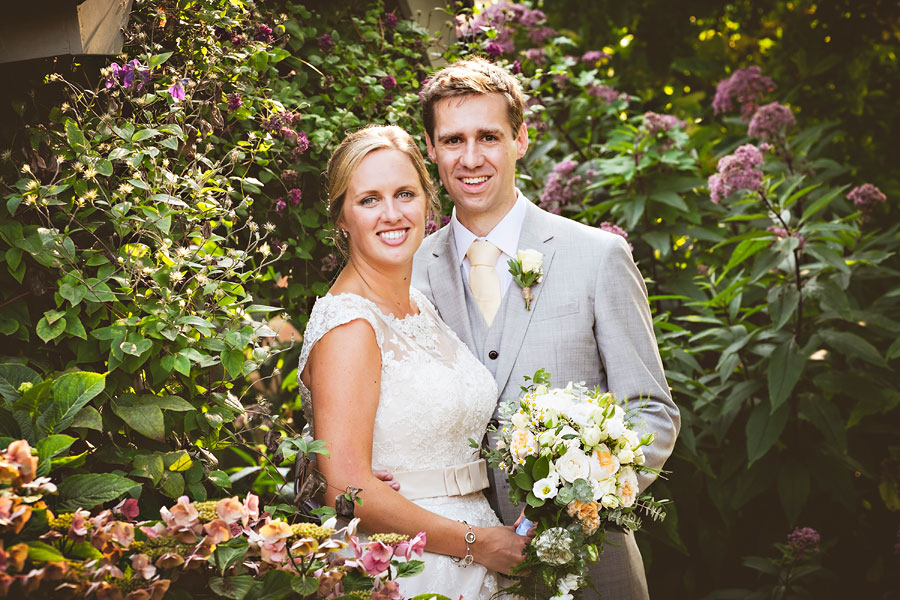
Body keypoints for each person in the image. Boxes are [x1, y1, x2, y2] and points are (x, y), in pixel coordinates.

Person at [410, 57, 681, 599]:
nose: (470, 158)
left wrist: (584, 493)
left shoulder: (597, 256)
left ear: (521, 138)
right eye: (453, 139)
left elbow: (652, 410)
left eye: (488, 136)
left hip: (592, 569)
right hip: (458, 568)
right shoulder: (410, 270)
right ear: (431, 148)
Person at [297, 125, 529, 599]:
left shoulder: (420, 305)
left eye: (405, 193)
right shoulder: (349, 326)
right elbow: (346, 490)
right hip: (410, 565)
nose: (391, 214)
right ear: (341, 216)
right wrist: (477, 543)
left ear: (428, 203)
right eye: (368, 200)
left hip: (480, 547)